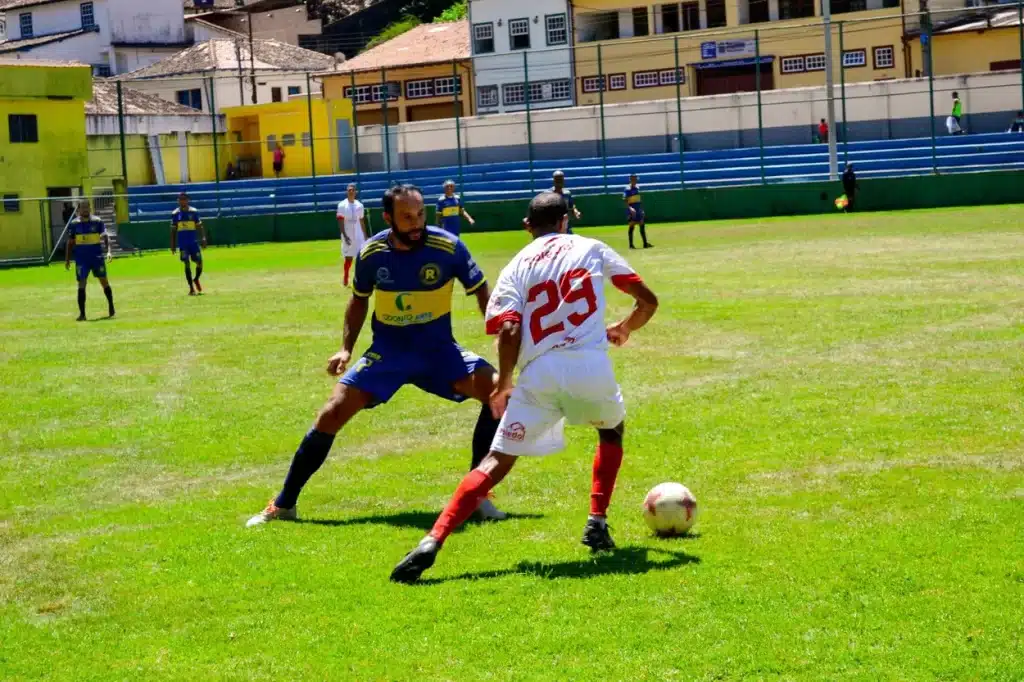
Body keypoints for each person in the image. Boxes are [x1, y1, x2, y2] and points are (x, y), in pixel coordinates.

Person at [390, 191, 659, 584]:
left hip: (538, 374)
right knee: (610, 430)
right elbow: (647, 301)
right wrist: (623, 328)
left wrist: (505, 383)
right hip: (589, 365)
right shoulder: (592, 248)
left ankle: (434, 539)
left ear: (527, 226)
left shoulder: (516, 266)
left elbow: (509, 328)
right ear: (566, 221)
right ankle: (596, 520)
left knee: (495, 461)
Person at [246, 183, 507, 528]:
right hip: (388, 353)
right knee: (330, 414)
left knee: (496, 394)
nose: (416, 223)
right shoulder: (371, 253)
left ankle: (476, 496)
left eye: (420, 215)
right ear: (388, 218)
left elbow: (480, 290)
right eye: (406, 217)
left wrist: (497, 328)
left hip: (439, 352)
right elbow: (358, 301)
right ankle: (283, 505)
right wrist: (345, 348)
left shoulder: (448, 247)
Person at [64, 199, 115, 321]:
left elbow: (105, 236)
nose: (85, 209)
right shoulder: (74, 224)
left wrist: (109, 251)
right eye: (83, 207)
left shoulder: (97, 222)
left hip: (96, 258)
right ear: (79, 209)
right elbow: (70, 243)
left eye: (87, 207)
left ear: (90, 208)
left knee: (104, 282)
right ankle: (82, 314)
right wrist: (67, 260)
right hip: (82, 260)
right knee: (82, 284)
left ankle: (111, 307)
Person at [170, 192, 207, 296]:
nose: (183, 201)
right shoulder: (175, 214)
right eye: (180, 199)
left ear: (188, 200)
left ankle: (196, 279)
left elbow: (200, 226)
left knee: (199, 263)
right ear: (178, 201)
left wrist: (203, 238)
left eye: (184, 199)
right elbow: (173, 231)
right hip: (183, 244)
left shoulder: (194, 212)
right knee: (186, 264)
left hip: (193, 243)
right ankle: (191, 288)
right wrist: (172, 245)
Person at [337, 183, 368, 287]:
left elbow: (362, 220)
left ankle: (361, 279)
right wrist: (345, 235)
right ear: (347, 192)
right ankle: (345, 277)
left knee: (362, 256)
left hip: (358, 233)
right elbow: (340, 221)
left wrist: (365, 235)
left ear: (355, 192)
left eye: (352, 190)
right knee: (349, 257)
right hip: (348, 232)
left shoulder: (360, 205)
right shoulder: (342, 205)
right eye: (349, 190)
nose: (351, 192)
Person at [624, 174, 652, 250]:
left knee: (642, 224)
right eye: (634, 179)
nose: (636, 181)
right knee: (631, 226)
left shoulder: (637, 188)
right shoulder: (628, 189)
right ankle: (631, 245)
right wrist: (630, 208)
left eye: (636, 179)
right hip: (632, 210)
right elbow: (625, 200)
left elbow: (638, 199)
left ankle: (645, 243)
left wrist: (641, 209)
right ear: (631, 180)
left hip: (638, 209)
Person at [551, 170, 581, 234]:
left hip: (566, 226)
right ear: (553, 181)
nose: (559, 182)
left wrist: (576, 212)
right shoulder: (548, 194)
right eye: (557, 180)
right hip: (553, 227)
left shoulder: (567, 193)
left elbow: (571, 206)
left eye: (561, 180)